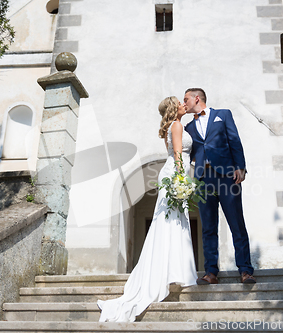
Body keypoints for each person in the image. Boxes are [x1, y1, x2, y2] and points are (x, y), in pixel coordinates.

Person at [97, 96, 197, 322]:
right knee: (174, 223)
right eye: (179, 102)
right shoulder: (178, 125)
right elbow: (179, 155)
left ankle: (171, 271)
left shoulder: (170, 127)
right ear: (174, 108)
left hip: (169, 172)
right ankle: (173, 271)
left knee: (170, 223)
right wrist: (182, 180)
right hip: (175, 174)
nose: (184, 104)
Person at [183, 88, 255, 284]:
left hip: (227, 176)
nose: (184, 103)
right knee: (208, 227)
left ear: (196, 98)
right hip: (203, 179)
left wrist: (240, 167)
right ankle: (211, 272)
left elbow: (234, 141)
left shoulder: (223, 115)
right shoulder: (188, 127)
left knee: (236, 223)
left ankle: (246, 270)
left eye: (186, 99)